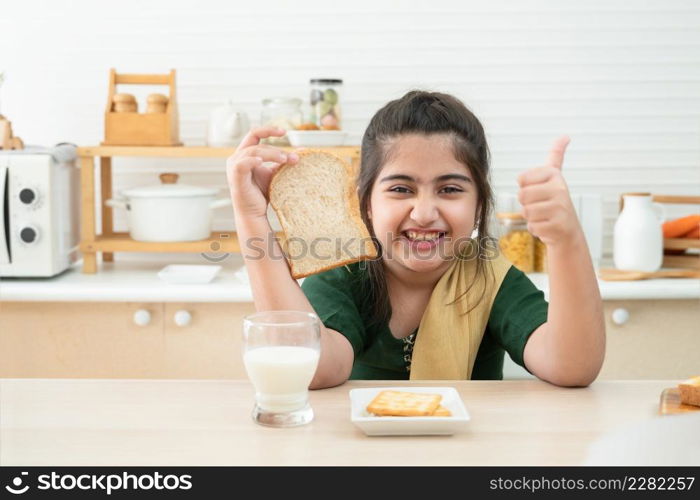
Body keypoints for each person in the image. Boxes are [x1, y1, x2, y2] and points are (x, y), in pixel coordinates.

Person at [226, 90, 605, 389]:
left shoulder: (491, 280)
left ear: (479, 205)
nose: (424, 213)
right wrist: (251, 218)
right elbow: (314, 369)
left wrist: (565, 240)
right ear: (366, 203)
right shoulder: (343, 275)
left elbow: (572, 367)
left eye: (450, 189)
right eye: (401, 189)